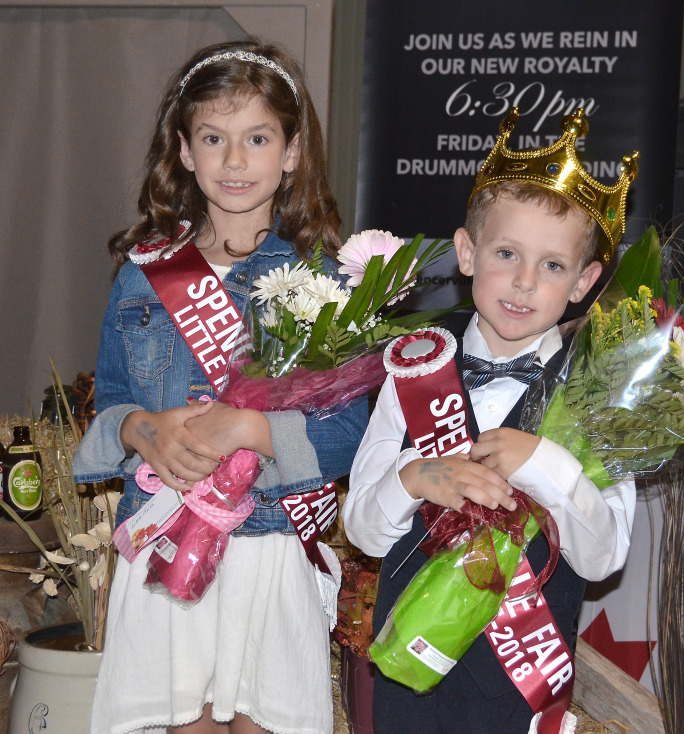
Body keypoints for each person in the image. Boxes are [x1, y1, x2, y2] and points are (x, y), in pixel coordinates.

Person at [73, 39, 367, 734]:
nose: (235, 161)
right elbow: (111, 400)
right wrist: (139, 430)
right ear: (183, 150)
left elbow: (351, 434)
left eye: (257, 138)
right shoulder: (144, 274)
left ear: (292, 152)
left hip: (270, 542)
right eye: (213, 138)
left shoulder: (327, 281)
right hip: (165, 536)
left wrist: (252, 429)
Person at [341, 108, 638, 734]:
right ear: (467, 252)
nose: (525, 282)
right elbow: (363, 530)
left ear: (584, 281)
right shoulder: (417, 367)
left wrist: (545, 464)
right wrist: (417, 477)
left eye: (553, 266)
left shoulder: (597, 393)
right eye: (507, 253)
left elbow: (604, 555)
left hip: (520, 684)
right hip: (408, 672)